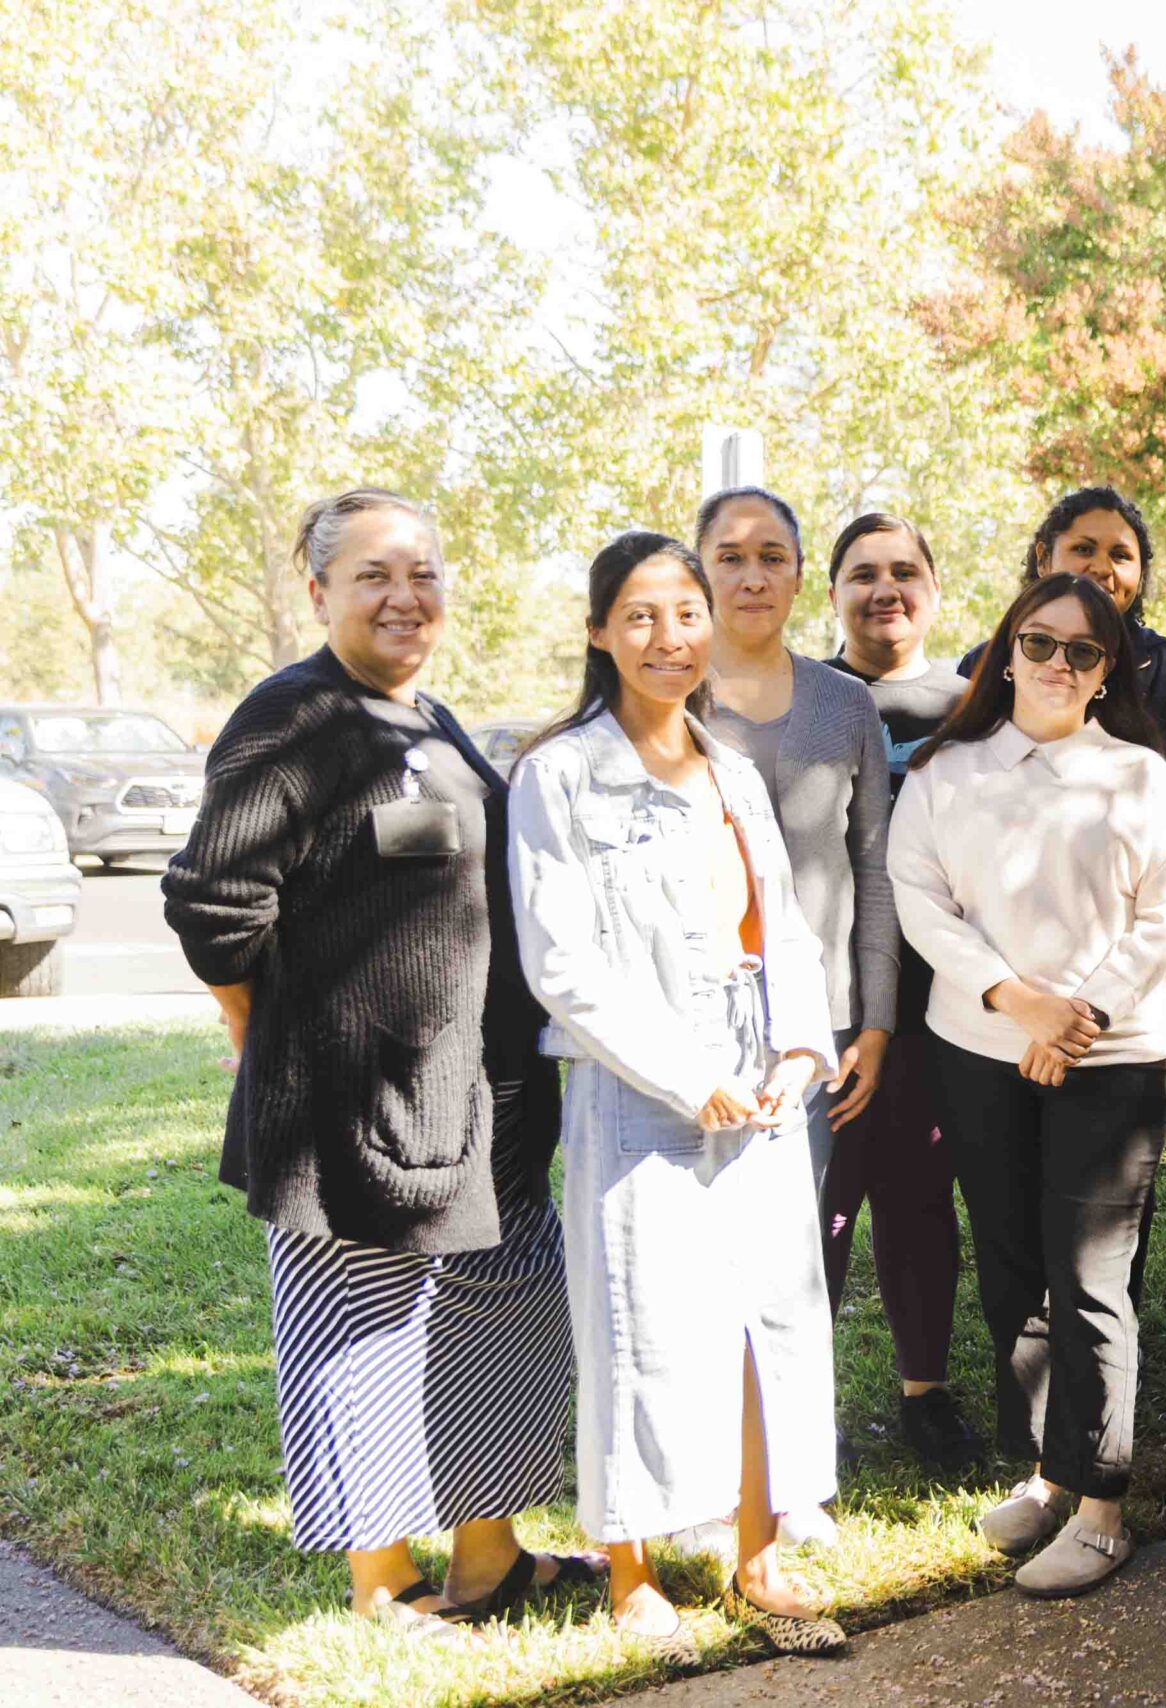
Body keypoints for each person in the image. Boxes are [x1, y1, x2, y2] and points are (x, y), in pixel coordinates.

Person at [163, 488, 591, 1643]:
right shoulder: (291, 719)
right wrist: (264, 1036)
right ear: (318, 592)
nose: (405, 597)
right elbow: (213, 909)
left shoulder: (428, 715)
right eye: (373, 576)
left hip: (487, 1103)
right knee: (360, 1333)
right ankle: (383, 1578)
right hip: (355, 1110)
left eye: (424, 574)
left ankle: (491, 1553)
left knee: (501, 1315)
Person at [512, 532, 848, 1658]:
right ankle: (633, 1570)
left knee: (770, 1320)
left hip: (761, 1068)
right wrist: (684, 1073)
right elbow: (562, 964)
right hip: (638, 1080)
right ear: (600, 631)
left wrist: (800, 1051)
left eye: (686, 612)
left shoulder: (734, 768)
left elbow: (787, 931)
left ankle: (755, 1556)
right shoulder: (559, 774)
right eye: (641, 615)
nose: (670, 637)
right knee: (641, 1322)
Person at [887, 572, 1166, 1597]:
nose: (1057, 664)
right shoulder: (946, 771)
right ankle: (1045, 1472)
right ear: (1006, 649)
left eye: (1083, 650)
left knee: (1091, 1280)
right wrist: (1015, 1002)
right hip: (980, 1047)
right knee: (1016, 1270)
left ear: (1110, 669)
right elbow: (921, 899)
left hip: (1108, 1059)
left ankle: (1102, 1506)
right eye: (1039, 641)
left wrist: (1080, 1016)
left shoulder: (1144, 779)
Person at [698, 487, 906, 1523]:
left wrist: (870, 1021)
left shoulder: (843, 706)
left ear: (796, 576)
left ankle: (792, 1480)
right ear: (698, 571)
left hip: (814, 1027)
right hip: (690, 1026)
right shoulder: (668, 695)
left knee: (792, 1258)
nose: (750, 574)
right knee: (694, 1256)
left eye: (771, 554)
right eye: (729, 555)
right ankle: (700, 1478)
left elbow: (873, 867)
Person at [816, 511, 979, 1471]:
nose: (886, 589)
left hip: (938, 998)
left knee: (919, 1198)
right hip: (830, 995)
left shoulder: (971, 708)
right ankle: (808, 1401)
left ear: (933, 590)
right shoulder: (804, 698)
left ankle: (927, 1394)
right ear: (831, 592)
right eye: (863, 573)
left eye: (905, 571)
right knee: (821, 1203)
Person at [960, 486, 1166, 802]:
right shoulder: (984, 663)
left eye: (1120, 556)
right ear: (1043, 559)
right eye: (1083, 549)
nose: (1102, 569)